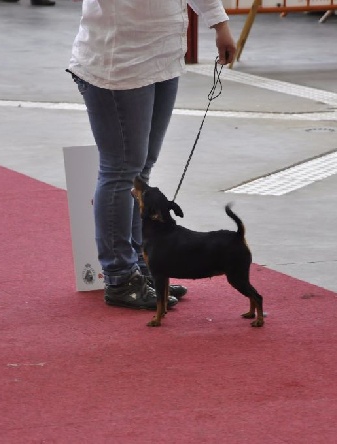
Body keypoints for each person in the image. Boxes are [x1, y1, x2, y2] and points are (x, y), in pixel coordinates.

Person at [67, 1, 236, 310]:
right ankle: (119, 276)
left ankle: (139, 264)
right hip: (117, 63)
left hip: (163, 57)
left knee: (140, 168)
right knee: (121, 170)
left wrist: (219, 23)